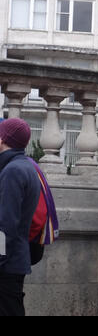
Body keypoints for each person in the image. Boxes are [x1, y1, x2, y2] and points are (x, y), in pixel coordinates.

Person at [0, 118, 41, 316]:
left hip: (7, 263)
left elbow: (5, 224)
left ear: (2, 139)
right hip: (14, 258)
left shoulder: (13, 171)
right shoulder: (24, 165)